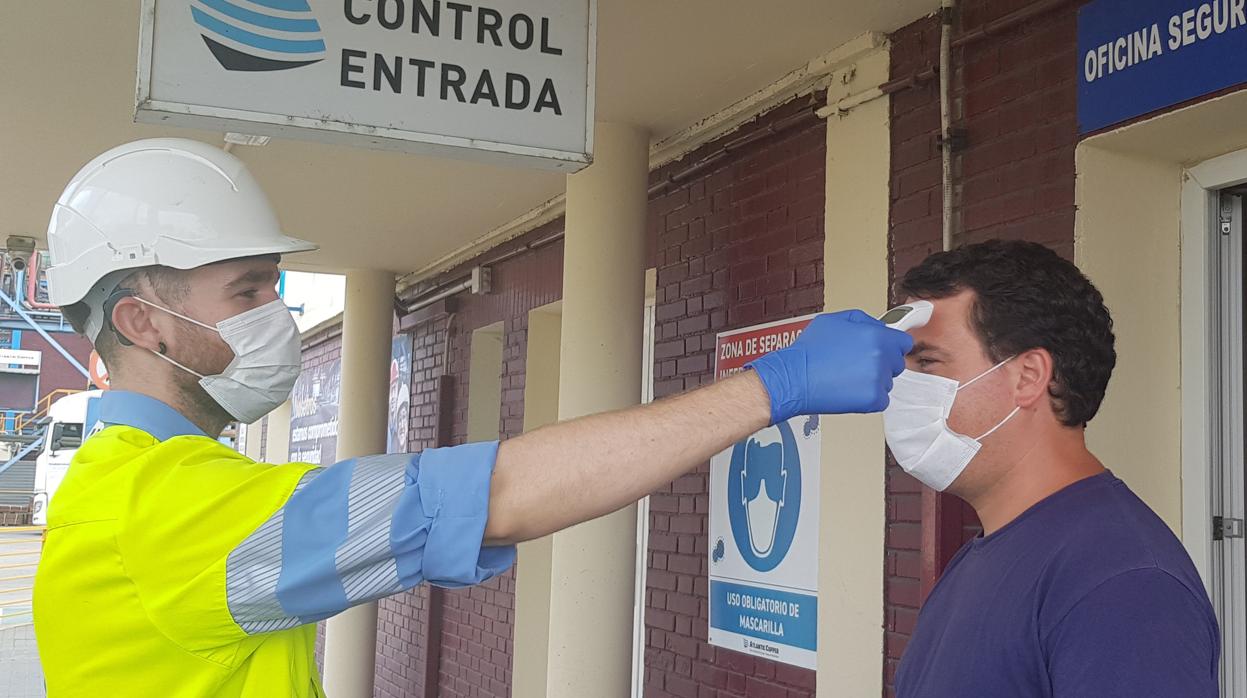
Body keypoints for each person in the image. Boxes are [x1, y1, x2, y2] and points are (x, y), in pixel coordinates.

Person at [31, 138, 912, 696]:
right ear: (143, 322)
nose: (278, 314)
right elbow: (494, 494)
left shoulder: (136, 494)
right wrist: (772, 388)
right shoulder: (162, 509)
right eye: (249, 290)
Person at [888, 240, 1220, 697]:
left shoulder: (1123, 584)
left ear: (1028, 376)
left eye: (926, 362)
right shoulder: (984, 554)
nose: (899, 387)